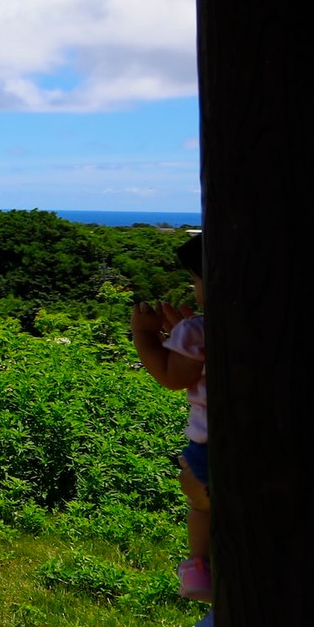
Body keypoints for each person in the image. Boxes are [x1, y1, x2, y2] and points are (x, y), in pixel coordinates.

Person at [131, 233, 210, 598]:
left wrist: (145, 336)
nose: (194, 290)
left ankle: (200, 569)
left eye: (195, 281)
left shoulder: (199, 329)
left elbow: (172, 377)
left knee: (201, 506)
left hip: (210, 448)